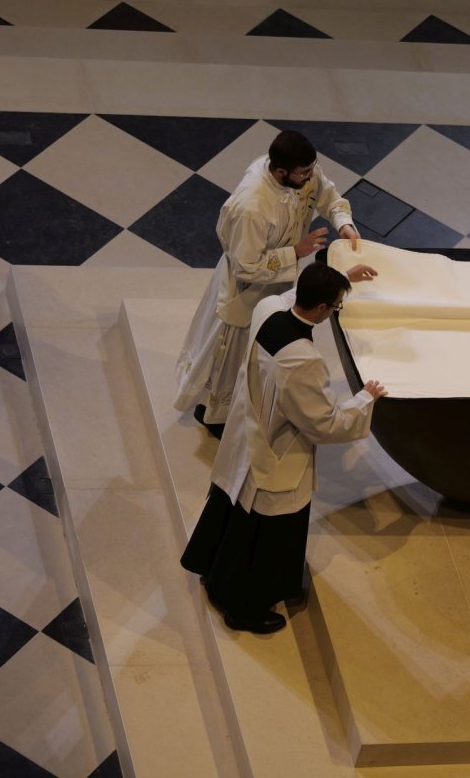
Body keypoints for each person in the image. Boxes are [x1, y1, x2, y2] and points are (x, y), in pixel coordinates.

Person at [180, 263, 387, 634]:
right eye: (336, 305)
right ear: (322, 309)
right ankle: (243, 609)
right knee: (263, 533)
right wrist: (363, 399)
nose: (334, 311)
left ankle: (212, 570)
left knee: (231, 509)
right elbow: (323, 423)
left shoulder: (267, 312)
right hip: (274, 452)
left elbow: (291, 296)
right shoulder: (303, 360)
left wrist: (340, 279)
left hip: (246, 433)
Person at [173, 129, 373, 438]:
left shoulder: (304, 172)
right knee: (231, 357)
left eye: (312, 169)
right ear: (280, 171)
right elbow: (245, 266)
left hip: (278, 280)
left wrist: (344, 225)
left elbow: (329, 197)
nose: (311, 178)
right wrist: (296, 251)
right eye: (304, 173)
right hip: (244, 292)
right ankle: (214, 416)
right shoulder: (251, 206)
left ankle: (248, 399)